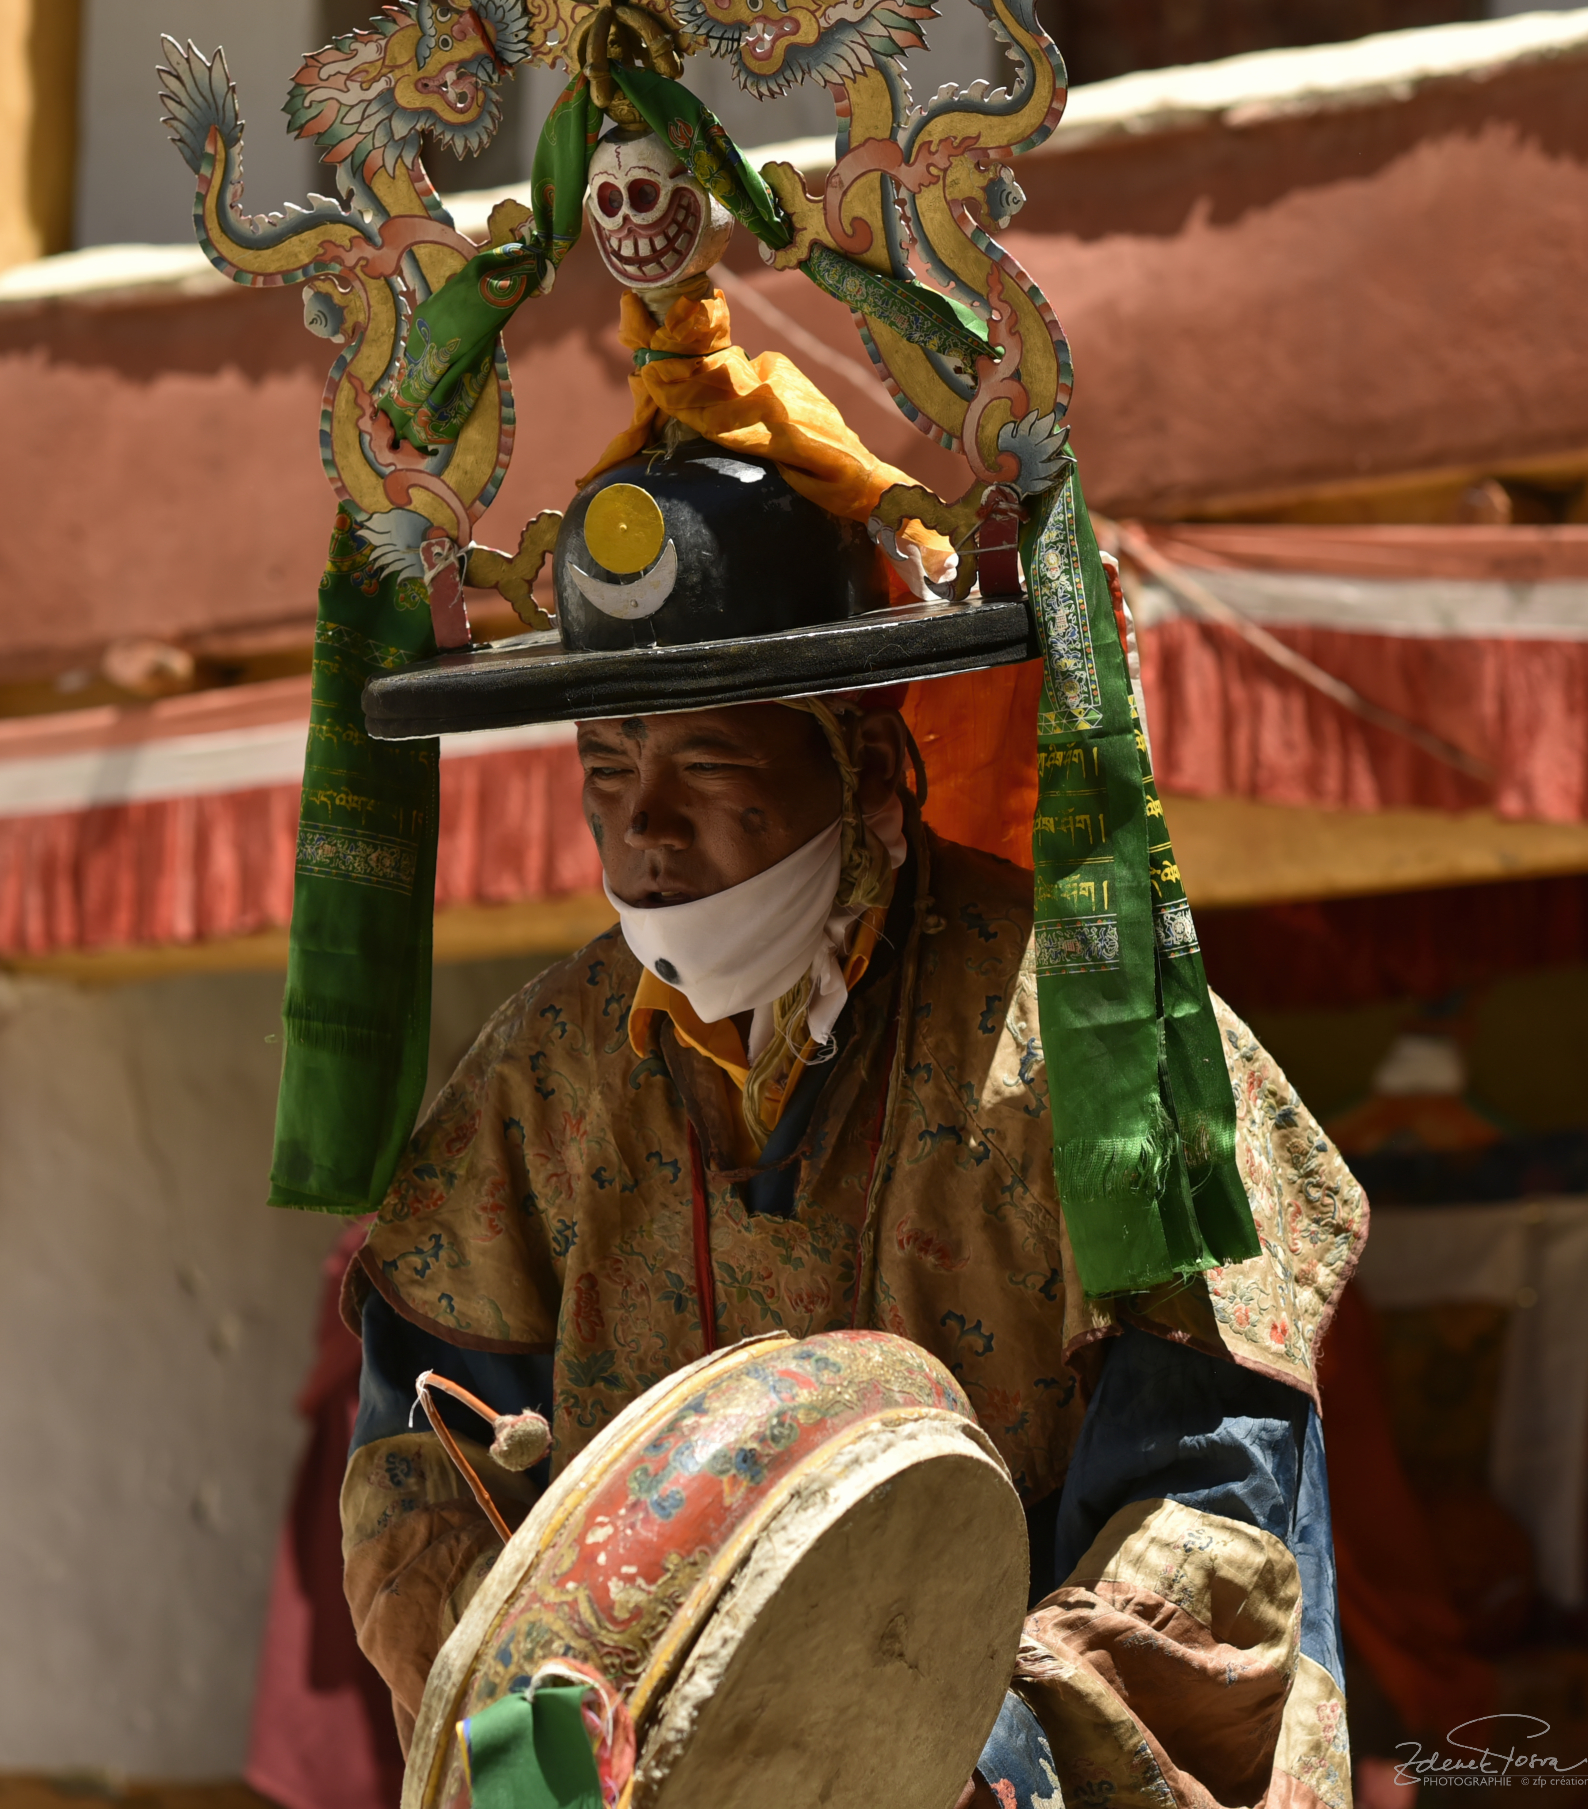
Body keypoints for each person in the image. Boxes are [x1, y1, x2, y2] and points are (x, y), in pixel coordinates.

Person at [340, 683, 1361, 1807]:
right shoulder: (543, 1068)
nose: (647, 824)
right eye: (608, 767)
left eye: (708, 761)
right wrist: (571, 1753)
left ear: (867, 767)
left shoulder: (1090, 1039)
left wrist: (925, 1754)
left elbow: (1211, 1508)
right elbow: (420, 1485)